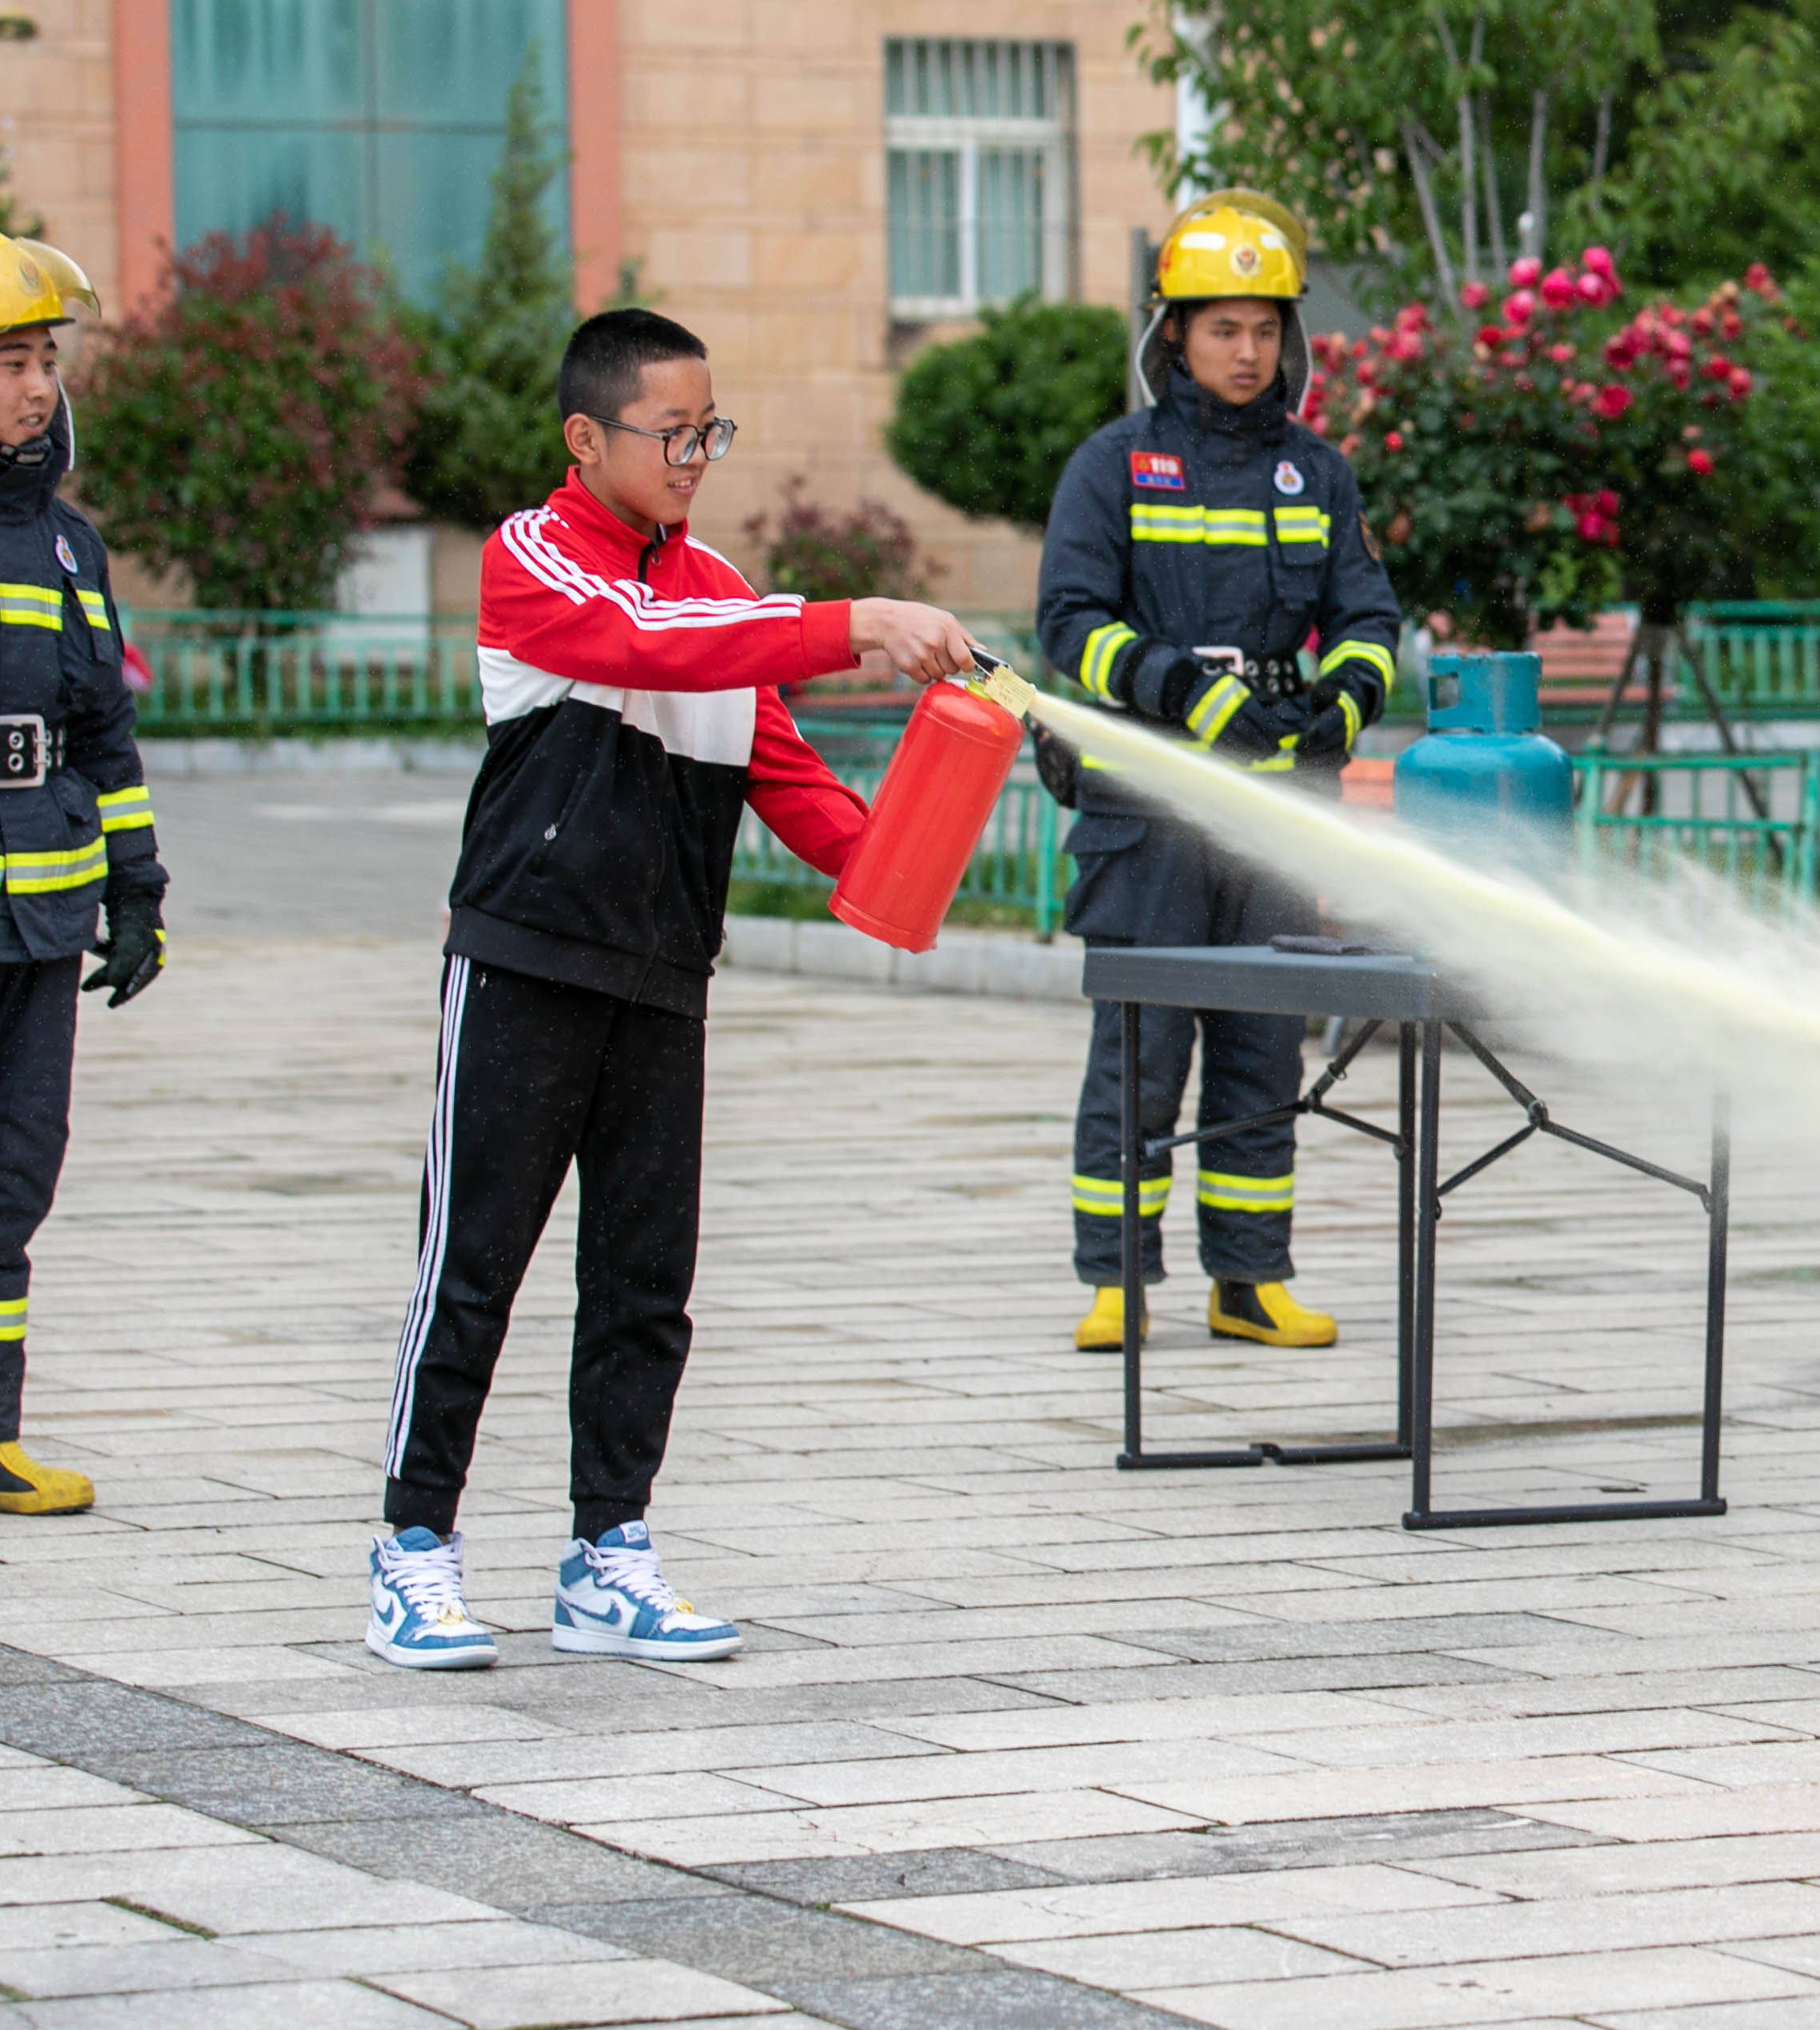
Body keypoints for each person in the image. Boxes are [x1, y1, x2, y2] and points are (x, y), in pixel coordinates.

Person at [366, 308, 975, 1672]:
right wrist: (856, 622)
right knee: (472, 1268)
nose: (696, 457)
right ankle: (413, 1548)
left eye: (711, 433)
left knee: (646, 1282)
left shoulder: (722, 590)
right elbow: (649, 641)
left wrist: (903, 860)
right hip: (526, 960)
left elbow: (782, 768)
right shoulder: (532, 557)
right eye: (672, 433)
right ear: (585, 439)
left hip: (663, 978)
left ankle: (608, 1553)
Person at [1038, 192, 1400, 1354]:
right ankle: (1117, 1284)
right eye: (1222, 328)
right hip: (1148, 806)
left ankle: (1250, 1281)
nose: (1248, 351)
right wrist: (1185, 693)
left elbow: (1368, 617)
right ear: (1174, 335)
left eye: (1265, 329)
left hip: (1276, 803)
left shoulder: (1319, 474)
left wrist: (1342, 701)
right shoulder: (1113, 466)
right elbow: (1070, 623)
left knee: (1262, 1048)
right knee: (1139, 1051)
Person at [0, 227, 161, 1519]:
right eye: (9, 360)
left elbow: (104, 731)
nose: (37, 386)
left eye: (46, 362)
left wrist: (136, 890)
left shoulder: (69, 543)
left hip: (41, 914)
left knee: (8, 1174)